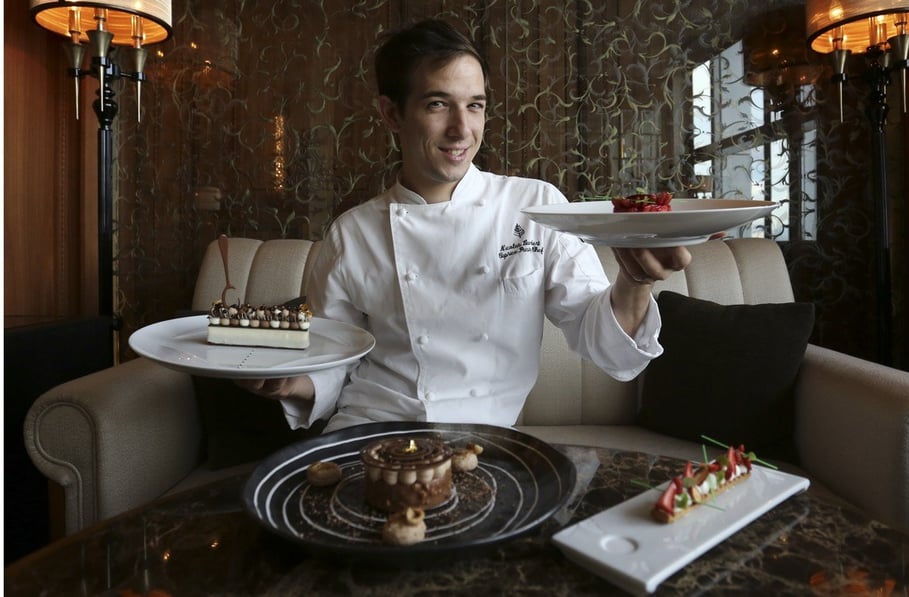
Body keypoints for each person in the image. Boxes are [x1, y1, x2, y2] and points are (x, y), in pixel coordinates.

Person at [239, 18, 693, 432]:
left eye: (475, 106)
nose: (462, 129)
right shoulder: (352, 234)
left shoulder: (535, 206)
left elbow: (606, 347)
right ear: (391, 114)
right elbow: (334, 361)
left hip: (484, 444)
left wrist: (635, 280)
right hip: (370, 431)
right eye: (438, 104)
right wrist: (287, 382)